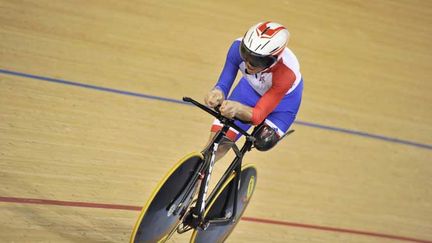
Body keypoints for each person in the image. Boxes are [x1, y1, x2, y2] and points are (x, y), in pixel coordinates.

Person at [204, 21, 303, 160]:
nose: (249, 64)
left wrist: (238, 109)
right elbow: (223, 84)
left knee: (262, 142)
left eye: (258, 61)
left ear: (274, 59)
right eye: (246, 55)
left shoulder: (286, 73)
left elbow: (257, 117)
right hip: (250, 90)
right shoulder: (236, 48)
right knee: (216, 146)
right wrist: (217, 92)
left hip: (283, 104)